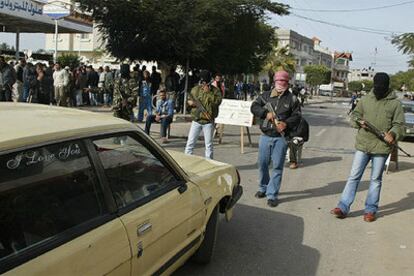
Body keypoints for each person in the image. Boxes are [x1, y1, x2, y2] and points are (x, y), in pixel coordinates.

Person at [331, 72, 405, 222]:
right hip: (363, 144)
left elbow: (399, 125)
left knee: (376, 179)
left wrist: (393, 133)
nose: (379, 88)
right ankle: (343, 207)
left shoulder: (395, 103)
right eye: (377, 85)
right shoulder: (365, 99)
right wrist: (359, 121)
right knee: (354, 177)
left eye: (382, 86)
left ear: (387, 86)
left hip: (381, 147)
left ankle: (370, 210)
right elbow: (354, 115)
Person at [250, 70, 301, 207]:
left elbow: (297, 117)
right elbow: (254, 106)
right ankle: (263, 188)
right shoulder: (265, 96)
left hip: (281, 138)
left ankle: (272, 195)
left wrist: (286, 124)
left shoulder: (293, 99)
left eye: (283, 81)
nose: (281, 84)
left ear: (287, 82)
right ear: (274, 82)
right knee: (263, 164)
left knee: (277, 166)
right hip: (265, 136)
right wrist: (265, 113)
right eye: (278, 81)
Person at [185, 70, 222, 159]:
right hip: (196, 120)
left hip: (208, 121)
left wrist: (208, 92)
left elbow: (217, 102)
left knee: (208, 145)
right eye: (202, 81)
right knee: (190, 143)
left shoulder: (215, 91)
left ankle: (209, 162)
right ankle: (185, 161)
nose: (203, 83)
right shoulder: (195, 89)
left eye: (205, 81)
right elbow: (189, 100)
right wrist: (189, 103)